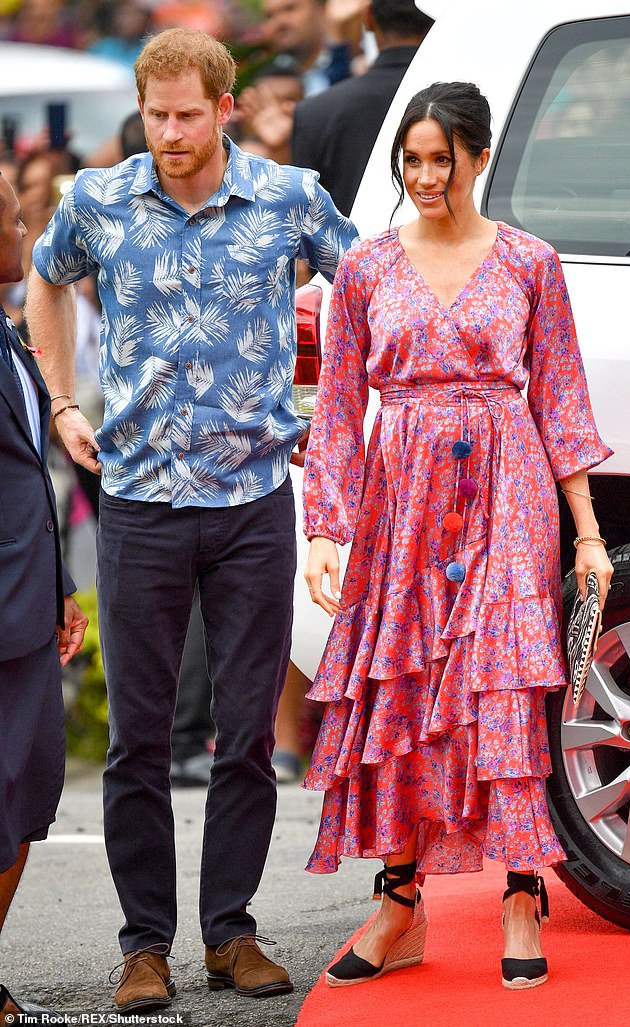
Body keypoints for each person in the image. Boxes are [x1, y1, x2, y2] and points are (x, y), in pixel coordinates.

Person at [25, 27, 357, 1012]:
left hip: (255, 497)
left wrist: (342, 407)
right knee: (136, 737)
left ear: (225, 108)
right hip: (136, 500)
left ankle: (231, 931)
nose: (168, 133)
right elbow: (44, 278)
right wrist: (61, 401)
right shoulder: (97, 200)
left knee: (248, 732)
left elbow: (374, 282)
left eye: (186, 115)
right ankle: (144, 946)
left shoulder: (287, 198)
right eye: (155, 114)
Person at [302, 81, 614, 991]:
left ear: (479, 159)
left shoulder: (529, 261)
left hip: (506, 492)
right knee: (399, 689)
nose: (427, 176)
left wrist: (588, 534)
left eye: (444, 158)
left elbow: (560, 399)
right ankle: (400, 901)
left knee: (503, 681)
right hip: (397, 497)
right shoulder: (362, 269)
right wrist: (327, 528)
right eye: (413, 160)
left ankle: (523, 893)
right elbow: (337, 409)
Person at [0, 170, 87, 1025]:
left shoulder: (11, 330)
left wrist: (61, 583)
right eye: (10, 214)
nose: (25, 229)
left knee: (28, 797)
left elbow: (29, 472)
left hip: (27, 601)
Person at [292, 0, 433, 216]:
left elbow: (305, 216)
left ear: (367, 19)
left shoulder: (314, 112)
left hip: (349, 246)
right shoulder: (466, 99)